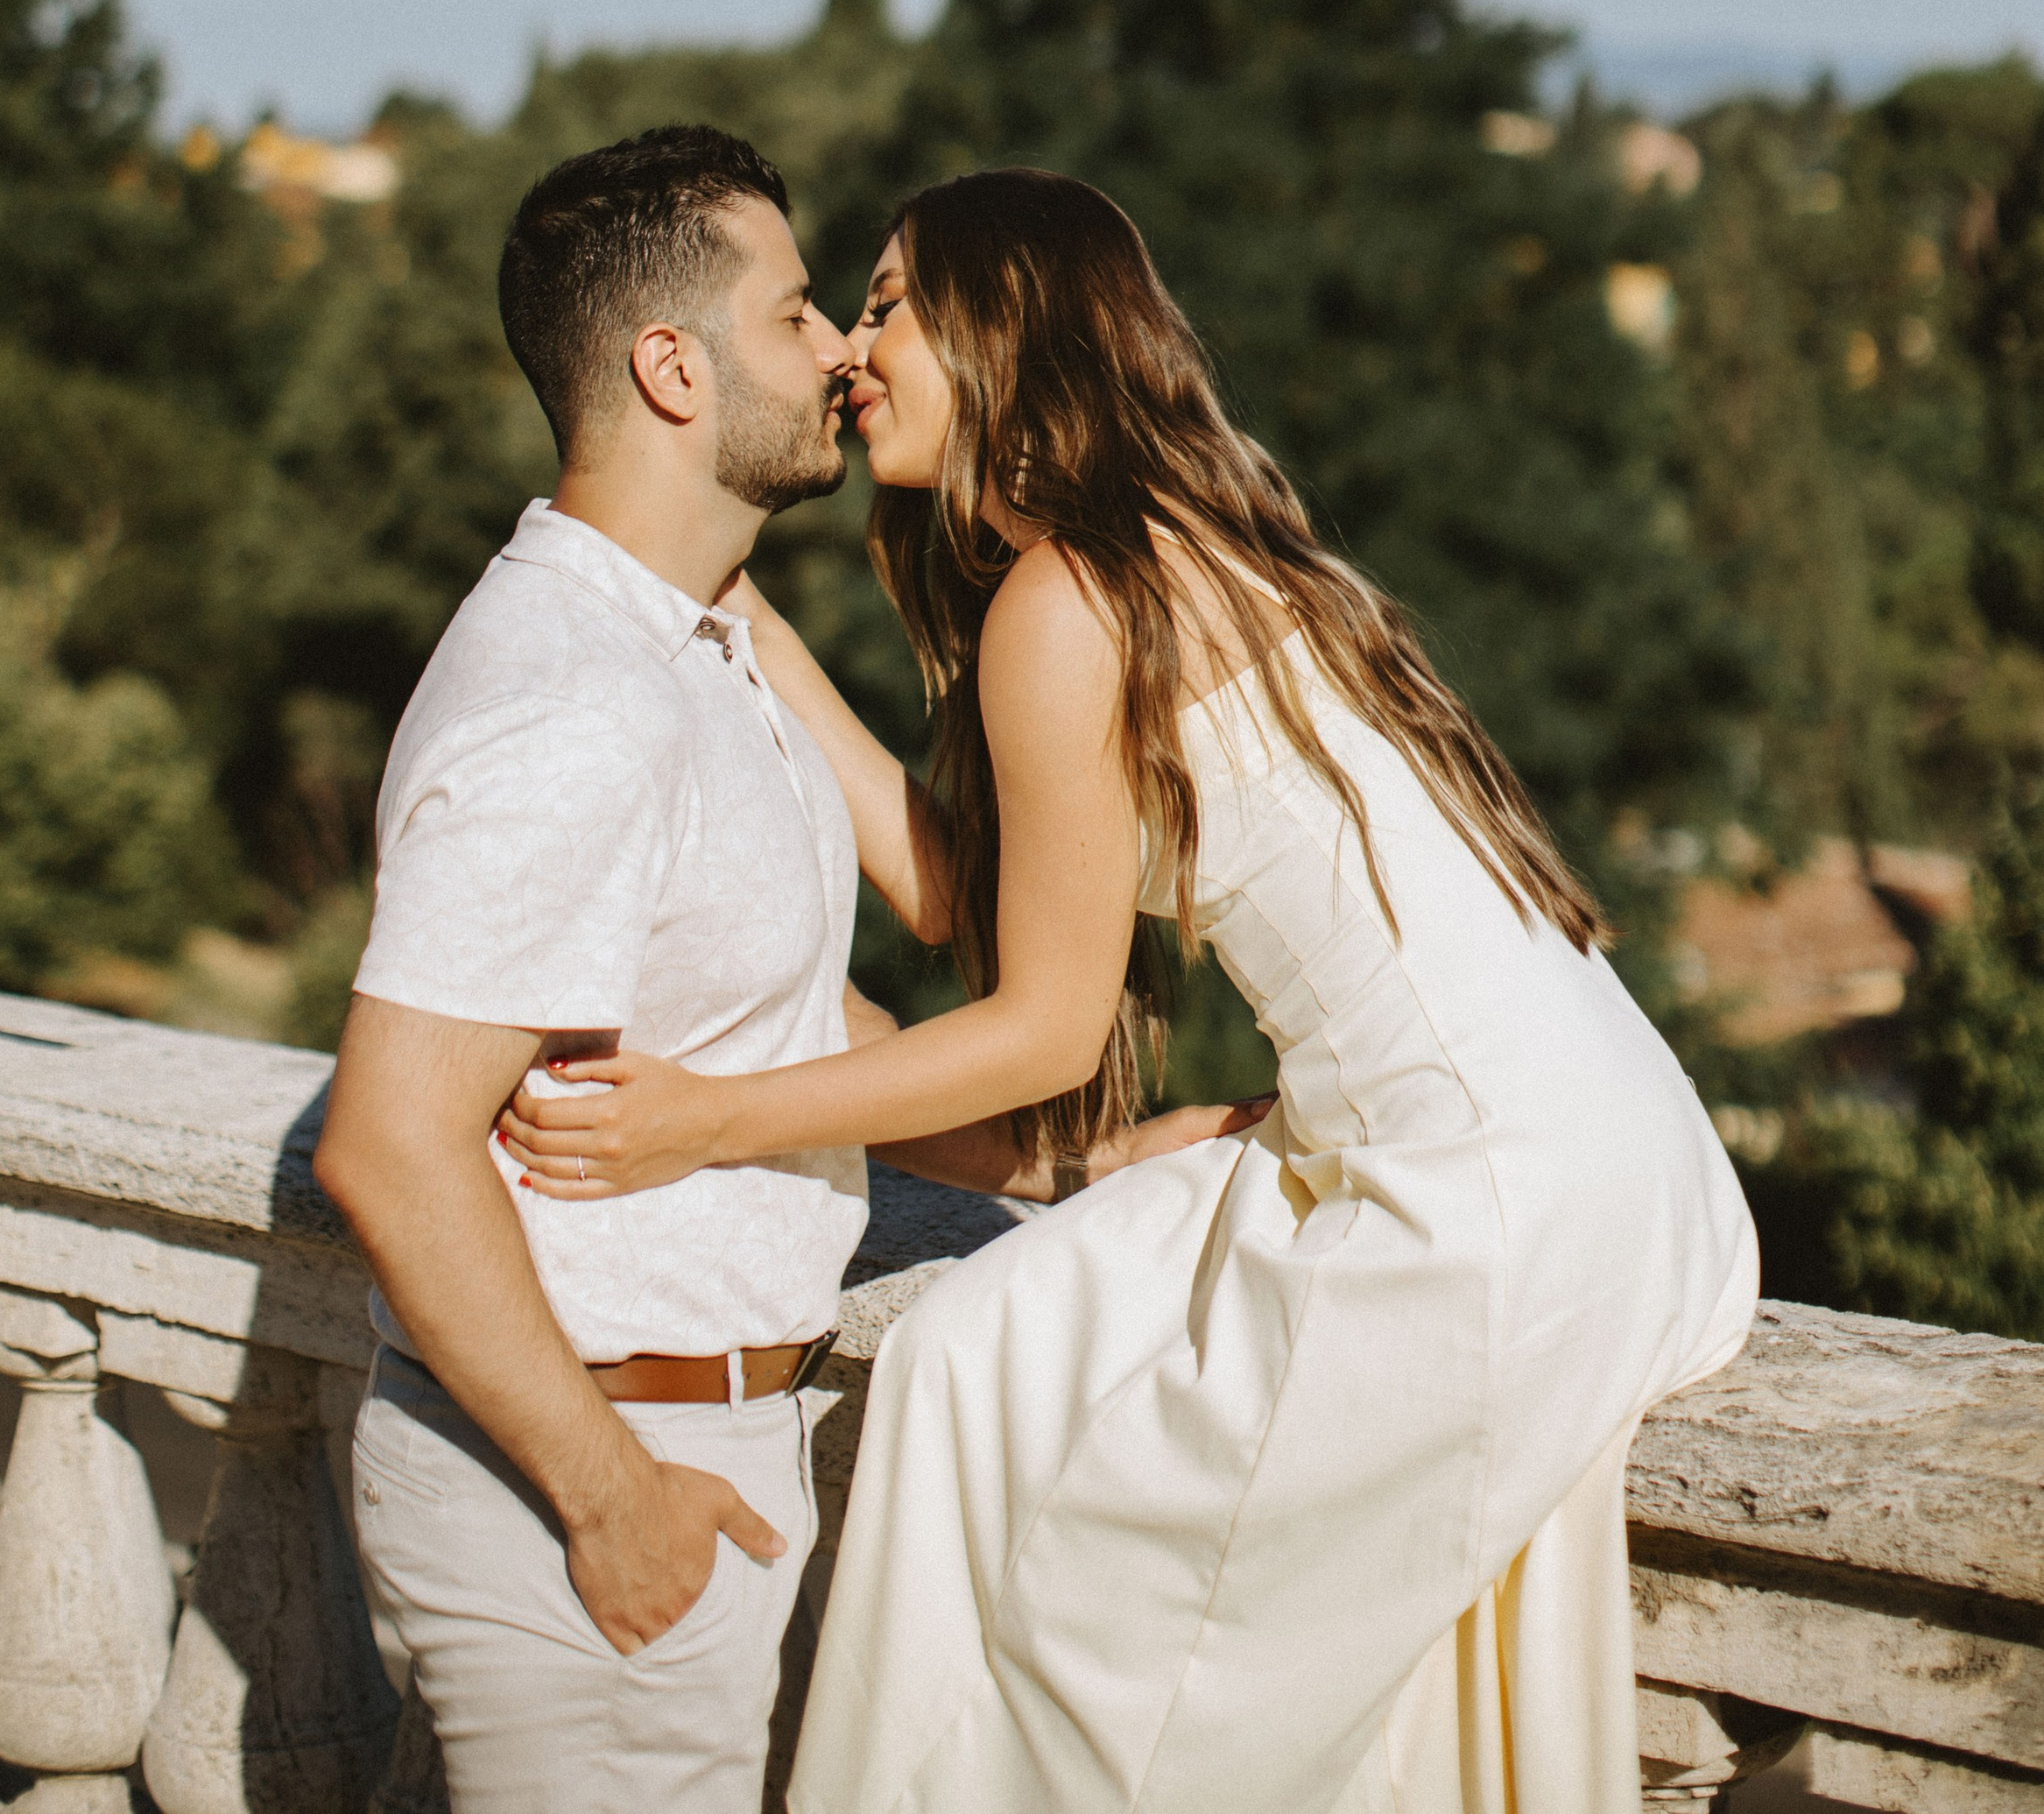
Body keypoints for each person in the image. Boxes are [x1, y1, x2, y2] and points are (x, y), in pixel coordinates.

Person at [498, 164, 1760, 1814]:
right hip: (1610, 1156)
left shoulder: (1066, 599)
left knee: (1103, 1652)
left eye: (885, 304)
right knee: (980, 1352)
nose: (852, 348)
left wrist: (708, 1122)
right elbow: (984, 900)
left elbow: (1041, 1024)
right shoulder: (1163, 551)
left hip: (1489, 1207)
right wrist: (743, 628)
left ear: (998, 323)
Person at [313, 127, 1240, 1814]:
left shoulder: (694, 654)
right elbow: (386, 1145)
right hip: (594, 1481)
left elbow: (801, 1036)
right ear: (671, 366)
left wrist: (1082, 1163)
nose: (845, 352)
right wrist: (615, 1501)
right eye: (800, 310)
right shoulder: (575, 700)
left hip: (690, 1449)